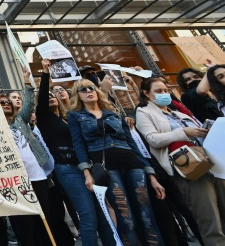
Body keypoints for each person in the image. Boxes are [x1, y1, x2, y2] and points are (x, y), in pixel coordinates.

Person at [136, 77, 225, 246]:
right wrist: (184, 132)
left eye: (166, 90)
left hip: (213, 164)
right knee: (210, 223)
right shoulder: (144, 113)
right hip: (190, 169)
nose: (164, 94)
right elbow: (153, 139)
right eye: (158, 91)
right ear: (146, 93)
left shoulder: (178, 112)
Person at [67, 79, 166, 246]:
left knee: (146, 213)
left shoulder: (113, 111)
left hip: (132, 163)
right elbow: (78, 144)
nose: (88, 91)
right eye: (83, 90)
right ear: (78, 96)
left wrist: (151, 174)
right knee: (125, 216)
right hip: (107, 167)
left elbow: (131, 142)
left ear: (97, 91)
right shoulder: (76, 116)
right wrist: (86, 172)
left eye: (91, 87)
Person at [35, 60, 115, 246]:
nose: (51, 97)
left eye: (53, 95)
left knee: (102, 216)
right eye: (48, 95)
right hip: (67, 169)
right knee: (87, 215)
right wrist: (46, 73)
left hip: (85, 166)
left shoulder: (69, 117)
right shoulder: (45, 118)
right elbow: (42, 96)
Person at [3, 69, 72, 246]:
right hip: (17, 181)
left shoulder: (20, 120)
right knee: (26, 223)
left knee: (45, 219)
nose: (6, 105)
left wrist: (27, 81)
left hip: (39, 177)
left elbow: (27, 106)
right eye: (2, 103)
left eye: (7, 102)